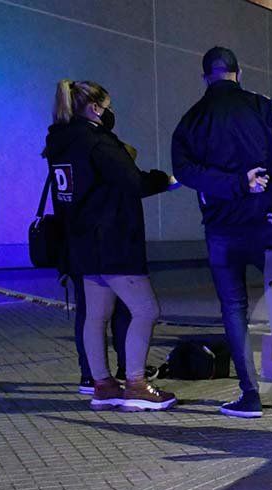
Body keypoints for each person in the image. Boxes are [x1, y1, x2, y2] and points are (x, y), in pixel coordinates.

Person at [171, 46, 272, 418]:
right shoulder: (263, 108)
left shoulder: (192, 119)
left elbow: (184, 170)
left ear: (204, 77)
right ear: (239, 72)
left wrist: (233, 183)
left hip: (221, 228)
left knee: (233, 308)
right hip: (266, 222)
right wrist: (265, 180)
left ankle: (250, 395)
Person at [45, 79, 176, 411]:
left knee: (95, 316)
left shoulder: (59, 143)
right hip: (113, 241)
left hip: (81, 243)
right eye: (106, 106)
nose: (109, 112)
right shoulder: (98, 142)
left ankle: (102, 385)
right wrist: (164, 181)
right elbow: (132, 182)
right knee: (146, 310)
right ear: (94, 108)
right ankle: (136, 384)